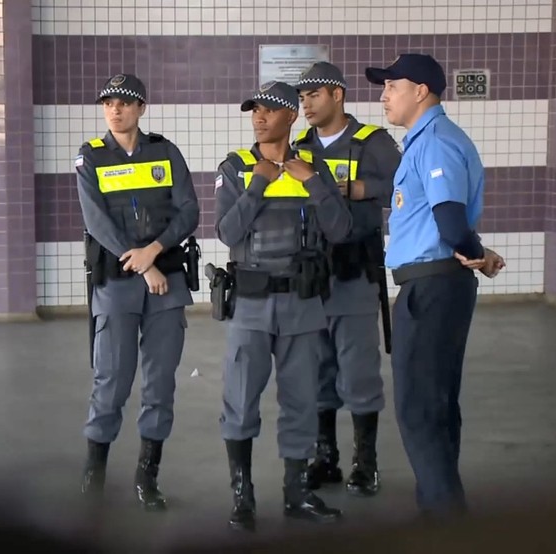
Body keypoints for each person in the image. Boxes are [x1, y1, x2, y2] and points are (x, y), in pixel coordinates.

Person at [364, 53, 505, 517]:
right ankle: (440, 508)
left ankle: (446, 522)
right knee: (437, 406)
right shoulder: (426, 141)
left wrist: (471, 249)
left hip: (431, 288)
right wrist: (478, 253)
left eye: (392, 86)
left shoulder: (436, 142)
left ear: (420, 90)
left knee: (421, 408)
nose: (384, 95)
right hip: (436, 284)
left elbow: (448, 217)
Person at [211, 80, 353, 531]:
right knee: (240, 400)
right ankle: (242, 496)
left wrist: (313, 183)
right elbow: (227, 233)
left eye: (269, 111)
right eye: (254, 110)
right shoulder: (235, 168)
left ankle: (297, 492)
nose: (259, 117)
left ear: (291, 116)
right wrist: (257, 185)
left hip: (301, 302)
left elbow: (341, 229)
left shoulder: (314, 168)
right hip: (251, 303)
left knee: (301, 401)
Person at [75, 73, 200, 511]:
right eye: (108, 102)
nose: (115, 109)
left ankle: (148, 477)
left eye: (125, 103)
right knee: (110, 382)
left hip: (167, 282)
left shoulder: (165, 151)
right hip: (118, 284)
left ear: (141, 107)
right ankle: (94, 476)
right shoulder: (90, 157)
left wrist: (154, 251)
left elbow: (188, 211)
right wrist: (140, 261)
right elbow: (97, 222)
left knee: (160, 384)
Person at [293, 62, 402, 496]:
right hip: (310, 278)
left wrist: (355, 189)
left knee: (358, 372)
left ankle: (366, 461)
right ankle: (327, 458)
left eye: (314, 95)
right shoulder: (298, 147)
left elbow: (401, 183)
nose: (306, 105)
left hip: (355, 273)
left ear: (337, 95)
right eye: (301, 98)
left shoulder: (371, 142)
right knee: (318, 371)